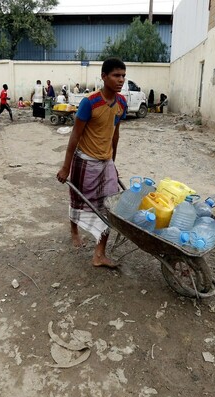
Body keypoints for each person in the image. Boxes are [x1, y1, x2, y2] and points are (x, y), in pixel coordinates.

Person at [56, 57, 128, 269]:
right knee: (80, 201)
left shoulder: (121, 103)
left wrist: (112, 163)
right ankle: (74, 229)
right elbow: (75, 136)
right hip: (85, 161)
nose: (120, 80)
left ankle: (99, 254)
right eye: (116, 75)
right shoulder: (90, 103)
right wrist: (65, 167)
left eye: (123, 75)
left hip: (105, 163)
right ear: (104, 76)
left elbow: (115, 135)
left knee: (109, 208)